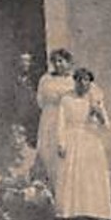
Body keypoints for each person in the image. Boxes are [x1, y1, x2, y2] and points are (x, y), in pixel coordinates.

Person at [54, 67, 111, 220]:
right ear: (75, 81)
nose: (82, 83)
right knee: (72, 176)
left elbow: (106, 126)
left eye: (86, 80)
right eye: (79, 80)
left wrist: (98, 111)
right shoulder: (66, 99)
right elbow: (60, 122)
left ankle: (92, 212)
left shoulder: (95, 99)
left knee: (90, 177)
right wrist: (61, 143)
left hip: (90, 140)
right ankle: (72, 213)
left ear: (90, 82)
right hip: (71, 139)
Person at [35, 48, 76, 191]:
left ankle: (66, 191)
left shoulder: (73, 80)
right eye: (55, 61)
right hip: (49, 118)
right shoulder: (45, 79)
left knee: (65, 154)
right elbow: (40, 100)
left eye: (61, 61)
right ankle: (51, 189)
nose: (58, 64)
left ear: (69, 63)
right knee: (48, 153)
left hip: (66, 120)